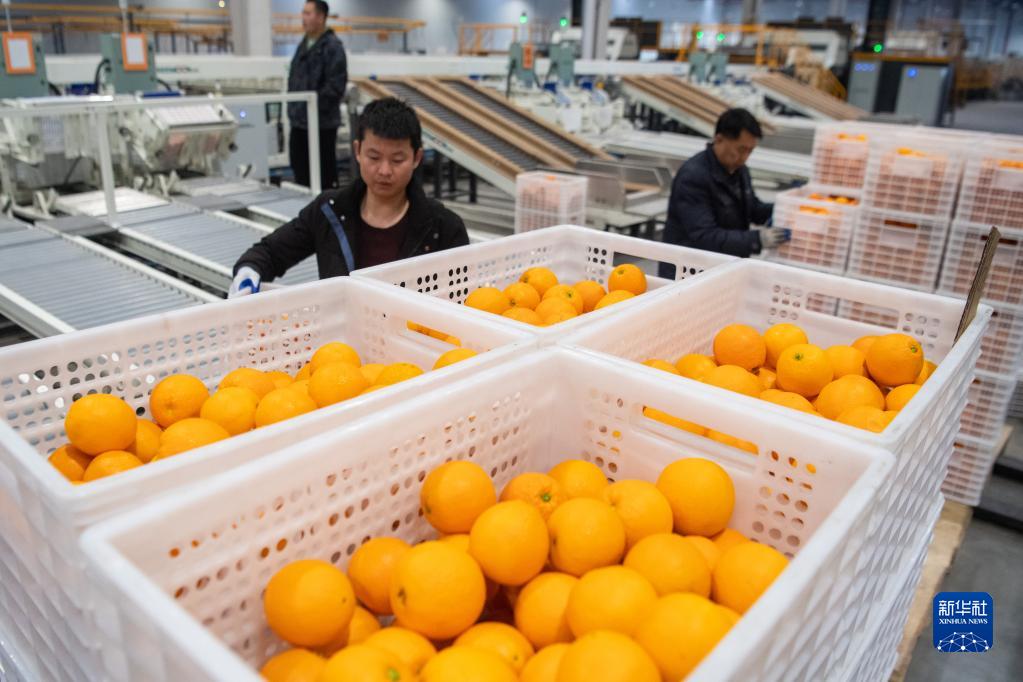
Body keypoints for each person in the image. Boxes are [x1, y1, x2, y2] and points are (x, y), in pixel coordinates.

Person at [229, 97, 469, 296]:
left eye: (397, 160)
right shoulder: (329, 211)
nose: (384, 170)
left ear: (417, 158)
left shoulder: (443, 228)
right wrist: (248, 272)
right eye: (373, 157)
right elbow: (269, 252)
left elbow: (462, 302)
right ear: (357, 151)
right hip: (341, 348)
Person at [659, 108, 789, 276]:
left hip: (722, 266)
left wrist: (786, 208)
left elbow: (752, 208)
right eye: (741, 149)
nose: (744, 157)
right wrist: (758, 239)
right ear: (719, 139)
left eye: (750, 151)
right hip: (689, 271)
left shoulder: (739, 171)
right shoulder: (693, 177)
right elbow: (705, 235)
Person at [287, 0, 348, 189]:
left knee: (323, 177)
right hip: (299, 124)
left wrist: (311, 109)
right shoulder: (303, 45)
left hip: (321, 125)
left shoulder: (332, 47)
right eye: (303, 13)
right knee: (301, 173)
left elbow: (335, 86)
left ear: (321, 17)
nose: (303, 18)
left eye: (307, 13)